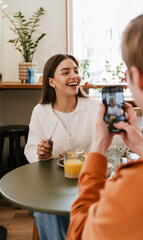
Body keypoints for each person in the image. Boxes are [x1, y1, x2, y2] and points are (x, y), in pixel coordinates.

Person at [67, 7, 143, 240]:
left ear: (136, 78)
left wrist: (98, 148)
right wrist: (142, 147)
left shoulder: (131, 189)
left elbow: (80, 233)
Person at [24, 53, 101, 240]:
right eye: (65, 72)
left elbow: (114, 146)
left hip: (88, 182)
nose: (74, 76)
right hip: (51, 186)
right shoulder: (40, 111)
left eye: (76, 70)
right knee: (45, 212)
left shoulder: (95, 107)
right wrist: (40, 153)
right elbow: (30, 149)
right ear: (52, 82)